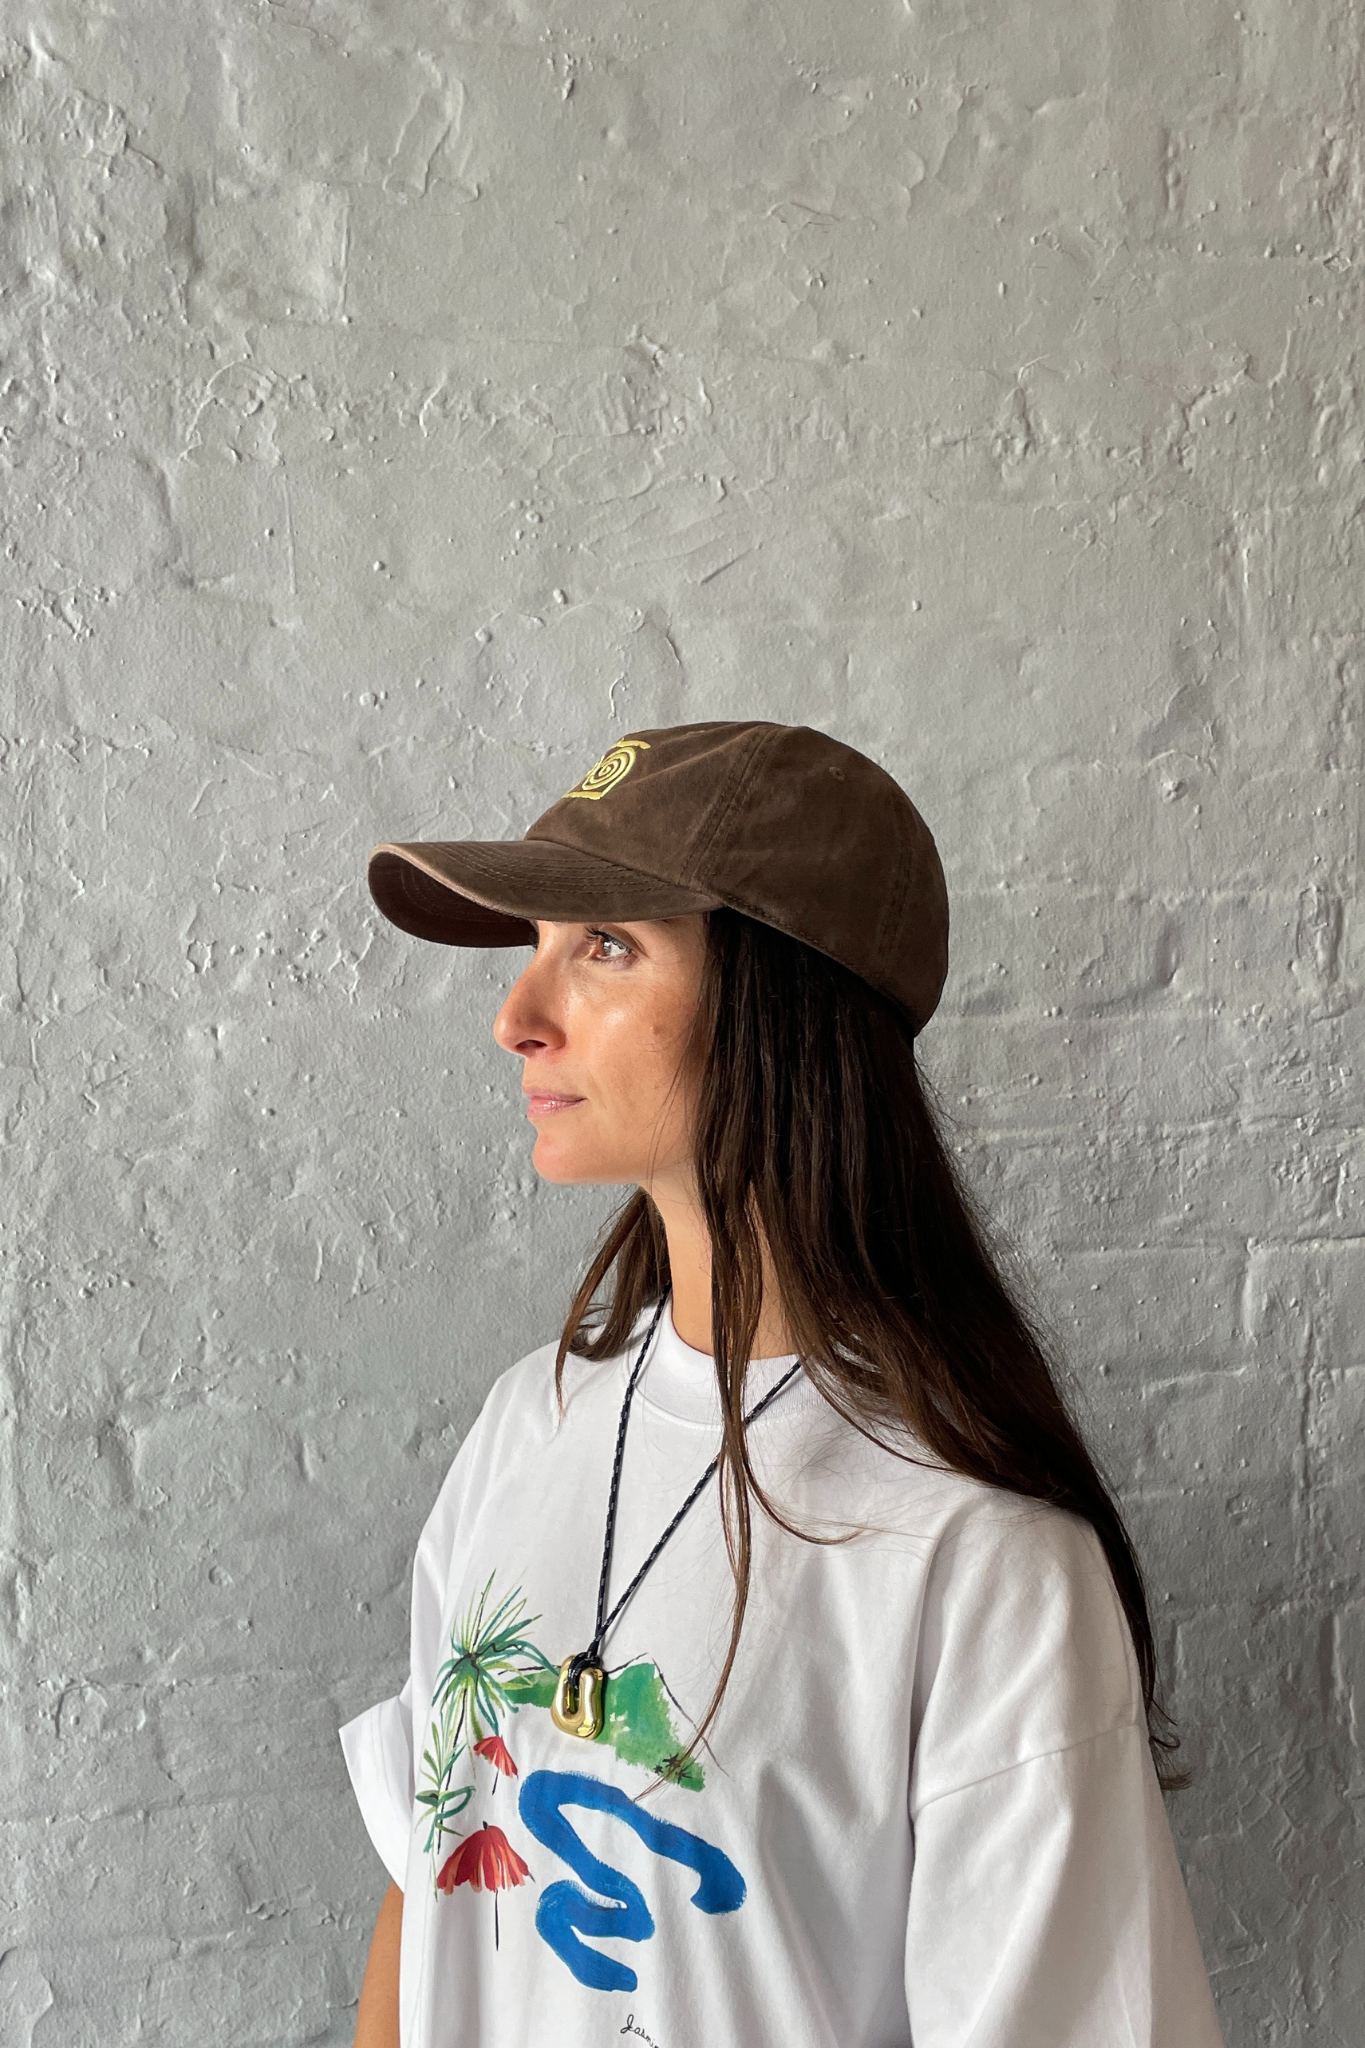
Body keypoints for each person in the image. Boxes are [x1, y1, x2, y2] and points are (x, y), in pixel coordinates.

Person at [341, 720, 1224, 2048]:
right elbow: (430, 1865)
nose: (517, 1017)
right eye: (538, 944)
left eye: (606, 946)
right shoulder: (536, 1419)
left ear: (783, 1004)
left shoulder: (978, 1555)